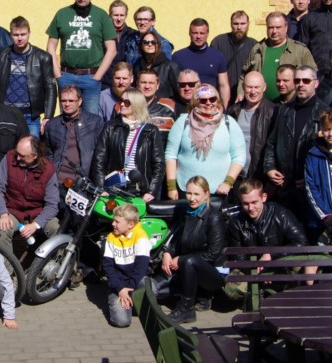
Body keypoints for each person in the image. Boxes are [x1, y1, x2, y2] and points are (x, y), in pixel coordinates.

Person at [45, 0, 117, 115]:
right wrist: (58, 75)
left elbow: (112, 49)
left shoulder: (101, 15)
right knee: (67, 118)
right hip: (66, 76)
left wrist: (98, 76)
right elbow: (50, 47)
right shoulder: (62, 14)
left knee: (91, 119)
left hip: (91, 77)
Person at [264, 66, 330, 217]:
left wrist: (311, 178)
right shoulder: (284, 110)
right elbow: (271, 142)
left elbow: (330, 153)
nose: (301, 84)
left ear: (316, 83)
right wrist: (269, 168)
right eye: (297, 80)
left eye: (306, 81)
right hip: (284, 186)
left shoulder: (325, 113)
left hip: (311, 189)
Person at [159, 176, 226, 323]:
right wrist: (168, 253)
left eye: (196, 194)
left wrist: (182, 260)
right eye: (189, 193)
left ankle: (187, 309)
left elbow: (214, 253)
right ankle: (192, 297)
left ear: (206, 195)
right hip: (189, 266)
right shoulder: (187, 213)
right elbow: (178, 240)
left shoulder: (214, 217)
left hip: (214, 273)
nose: (192, 198)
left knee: (189, 261)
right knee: (158, 287)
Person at [164, 85, 246, 200]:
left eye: (212, 99)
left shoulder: (229, 123)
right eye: (203, 100)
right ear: (195, 102)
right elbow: (170, 155)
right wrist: (171, 187)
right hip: (187, 191)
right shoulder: (183, 122)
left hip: (219, 190)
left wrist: (228, 182)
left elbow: (239, 156)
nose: (208, 103)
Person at [0, 136, 60, 259]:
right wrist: (3, 214)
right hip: (13, 210)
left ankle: (57, 264)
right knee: (1, 231)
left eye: (22, 156)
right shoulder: (9, 159)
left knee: (55, 228)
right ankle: (8, 269)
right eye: (17, 153)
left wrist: (36, 224)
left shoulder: (48, 170)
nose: (18, 158)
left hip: (37, 212)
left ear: (34, 156)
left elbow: (52, 204)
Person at [92, 89, 163, 200]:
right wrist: (100, 188)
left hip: (141, 191)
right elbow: (99, 160)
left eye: (127, 102)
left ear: (137, 104)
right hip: (114, 189)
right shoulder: (111, 127)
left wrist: (151, 191)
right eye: (121, 101)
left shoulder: (150, 131)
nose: (122, 104)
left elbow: (159, 164)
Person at [0, 16, 56, 138]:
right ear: (10, 35)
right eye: (16, 35)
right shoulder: (2, 55)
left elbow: (50, 88)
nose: (20, 38)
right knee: (7, 149)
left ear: (29, 34)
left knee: (31, 148)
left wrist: (48, 116)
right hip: (6, 114)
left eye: (23, 34)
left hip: (30, 117)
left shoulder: (43, 57)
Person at [239, 12, 316, 102]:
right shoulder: (257, 49)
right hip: (260, 105)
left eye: (278, 27)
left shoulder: (300, 50)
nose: (274, 31)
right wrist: (240, 93)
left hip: (290, 105)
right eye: (271, 27)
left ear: (286, 27)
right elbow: (244, 75)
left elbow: (312, 78)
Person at [42, 84, 105, 186]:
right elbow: (48, 155)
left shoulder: (95, 122)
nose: (67, 104)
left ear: (79, 101)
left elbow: (100, 155)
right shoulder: (52, 125)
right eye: (63, 101)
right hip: (58, 180)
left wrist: (99, 184)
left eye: (71, 101)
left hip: (83, 181)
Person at [102, 203, 151, 328]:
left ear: (130, 224)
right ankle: (125, 303)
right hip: (118, 284)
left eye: (117, 222)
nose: (113, 224)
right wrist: (120, 289)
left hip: (135, 282)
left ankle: (133, 303)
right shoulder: (111, 237)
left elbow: (141, 268)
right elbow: (108, 267)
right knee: (121, 321)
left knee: (152, 288)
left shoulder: (141, 236)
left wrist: (128, 289)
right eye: (113, 220)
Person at [172, 18, 230, 104]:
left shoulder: (217, 56)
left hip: (209, 105)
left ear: (207, 34)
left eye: (202, 33)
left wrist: (225, 108)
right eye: (195, 33)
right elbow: (173, 85)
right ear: (189, 33)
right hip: (184, 106)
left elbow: (223, 85)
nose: (198, 36)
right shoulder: (178, 57)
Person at [211, 10, 257, 105]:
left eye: (242, 24)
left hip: (246, 97)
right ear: (231, 24)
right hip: (221, 96)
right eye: (235, 24)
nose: (239, 27)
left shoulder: (254, 45)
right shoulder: (218, 42)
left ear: (248, 24)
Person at [133, 32, 179, 102]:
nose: (150, 44)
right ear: (141, 46)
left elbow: (179, 91)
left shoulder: (170, 66)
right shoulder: (137, 66)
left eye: (153, 42)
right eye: (146, 42)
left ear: (158, 45)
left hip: (164, 106)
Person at [107, 0, 139, 73]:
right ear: (110, 15)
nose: (119, 19)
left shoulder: (133, 35)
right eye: (116, 15)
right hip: (106, 77)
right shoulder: (103, 34)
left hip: (126, 77)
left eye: (122, 15)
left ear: (126, 16)